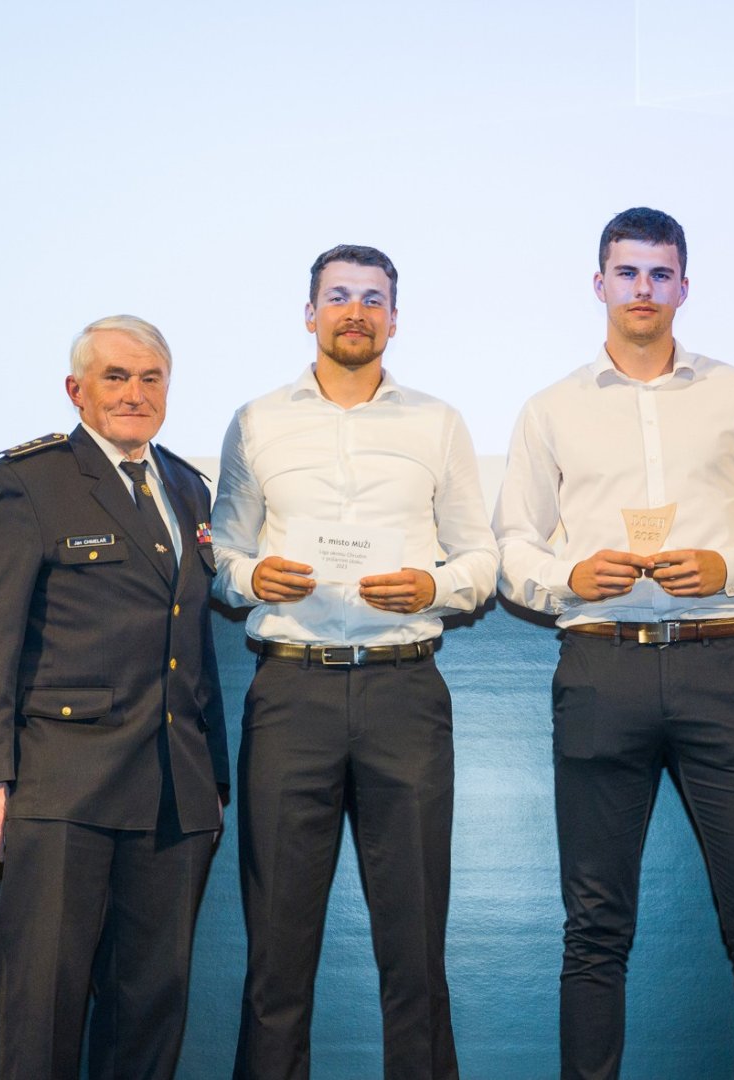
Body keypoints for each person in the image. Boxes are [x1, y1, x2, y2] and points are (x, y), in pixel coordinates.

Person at [493, 207, 734, 1080]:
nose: (644, 289)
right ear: (599, 283)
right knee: (595, 928)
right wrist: (569, 576)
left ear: (683, 286)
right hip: (602, 669)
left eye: (660, 273)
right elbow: (512, 547)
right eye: (628, 273)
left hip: (722, 664)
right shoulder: (551, 407)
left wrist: (728, 565)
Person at [210, 244, 498, 1080]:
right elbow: (224, 553)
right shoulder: (257, 420)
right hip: (290, 691)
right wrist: (251, 577)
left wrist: (433, 586)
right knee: (277, 948)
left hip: (403, 689)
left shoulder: (437, 422)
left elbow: (480, 559)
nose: (356, 312)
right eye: (339, 296)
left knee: (414, 945)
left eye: (373, 299)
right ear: (310, 313)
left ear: (394, 320)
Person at [0, 315, 230, 1080]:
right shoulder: (31, 480)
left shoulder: (187, 487)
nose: (135, 393)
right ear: (76, 390)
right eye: (116, 377)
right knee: (42, 1011)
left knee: (149, 1016)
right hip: (63, 790)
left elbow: (193, 642)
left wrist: (213, 778)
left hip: (174, 796)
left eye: (151, 378)